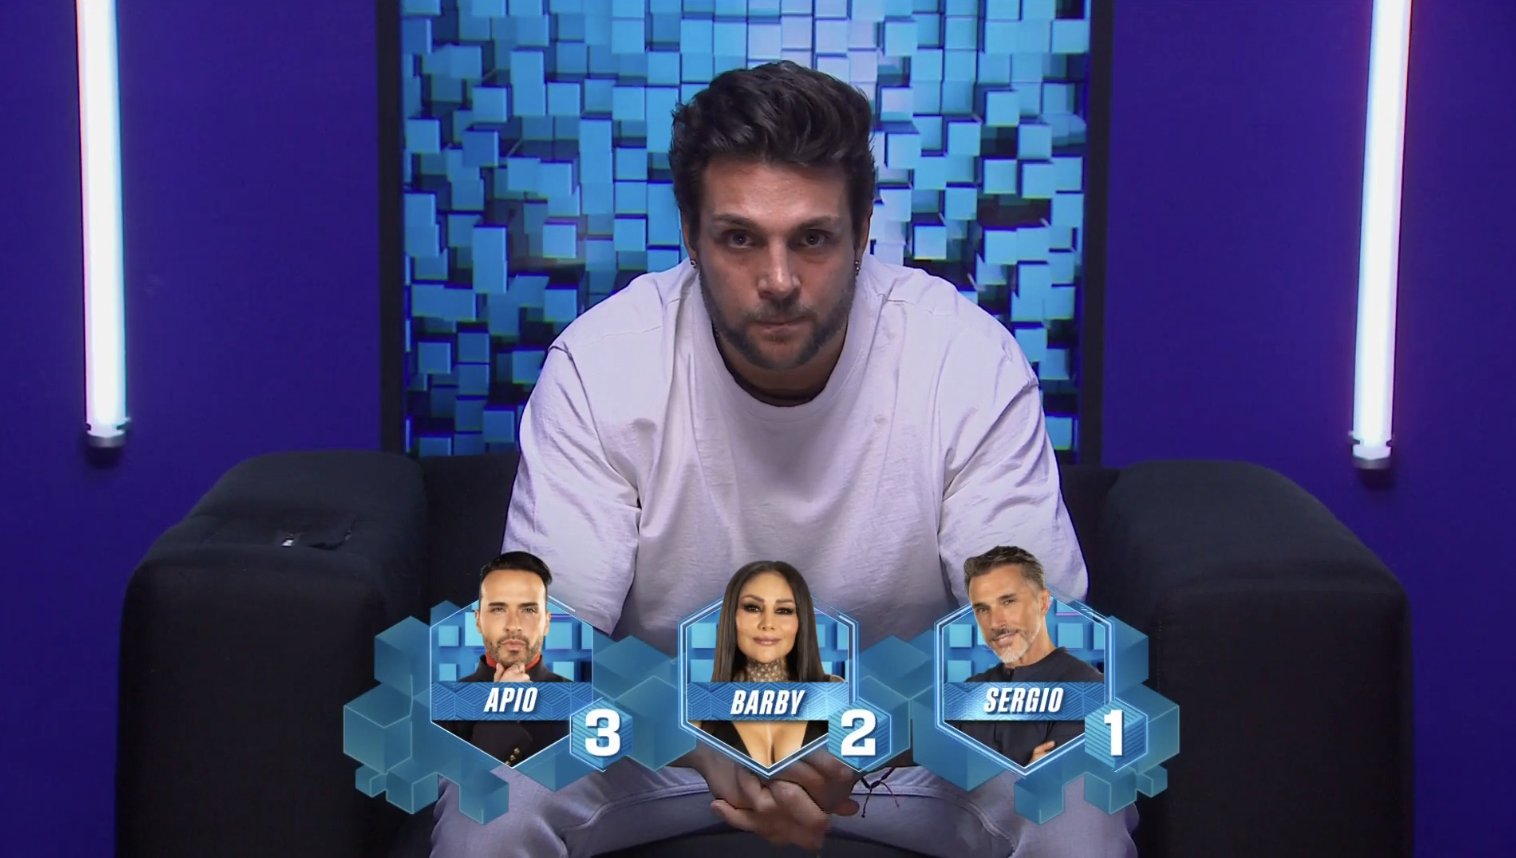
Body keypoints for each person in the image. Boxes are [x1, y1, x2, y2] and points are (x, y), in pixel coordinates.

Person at [433, 60, 1134, 856]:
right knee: (490, 786)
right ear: (691, 235)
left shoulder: (963, 360)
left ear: (863, 233)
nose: (777, 280)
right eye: (740, 238)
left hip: (911, 747)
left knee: (1079, 781)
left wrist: (853, 730)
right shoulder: (603, 365)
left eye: (812, 239)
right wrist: (695, 726)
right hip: (665, 745)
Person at [950, 546, 1104, 767]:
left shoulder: (1088, 689)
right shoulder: (971, 691)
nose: (995, 623)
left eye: (1008, 602)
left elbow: (1053, 780)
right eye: (982, 609)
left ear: (1043, 602)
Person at [697, 561, 841, 766]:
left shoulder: (833, 692)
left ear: (801, 620)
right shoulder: (702, 703)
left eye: (783, 610)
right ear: (732, 616)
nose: (768, 624)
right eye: (752, 608)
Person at [438, 551, 568, 767]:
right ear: (478, 621)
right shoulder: (444, 706)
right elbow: (457, 786)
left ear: (546, 622)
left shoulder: (582, 705)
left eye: (528, 610)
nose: (513, 625)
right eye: (498, 609)